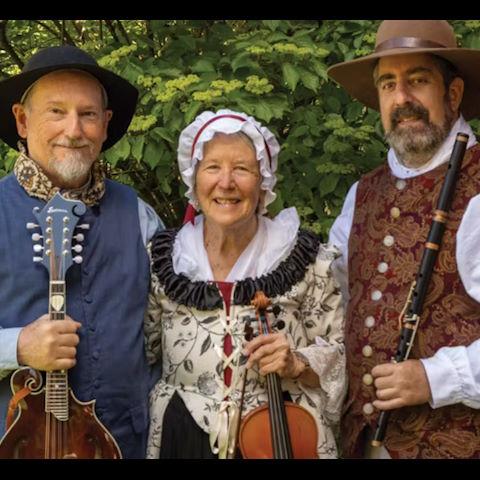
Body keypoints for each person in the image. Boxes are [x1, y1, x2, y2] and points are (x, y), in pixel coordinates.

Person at [144, 108, 346, 459]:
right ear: (193, 179)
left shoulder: (305, 257)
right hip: (182, 436)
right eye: (212, 167)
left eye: (241, 168)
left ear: (263, 179)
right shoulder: (164, 259)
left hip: (279, 438)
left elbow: (343, 354)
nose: (226, 182)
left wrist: (298, 362)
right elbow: (141, 355)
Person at [0, 45, 163, 458]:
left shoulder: (140, 215)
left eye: (88, 114)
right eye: (56, 111)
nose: (73, 130)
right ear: (22, 120)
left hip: (124, 444)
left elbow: (170, 335)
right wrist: (16, 346)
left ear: (105, 125)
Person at [327, 20, 480, 459]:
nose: (402, 99)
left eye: (418, 80)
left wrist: (435, 378)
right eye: (388, 84)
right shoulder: (363, 193)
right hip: (363, 442)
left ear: (452, 94)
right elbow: (333, 304)